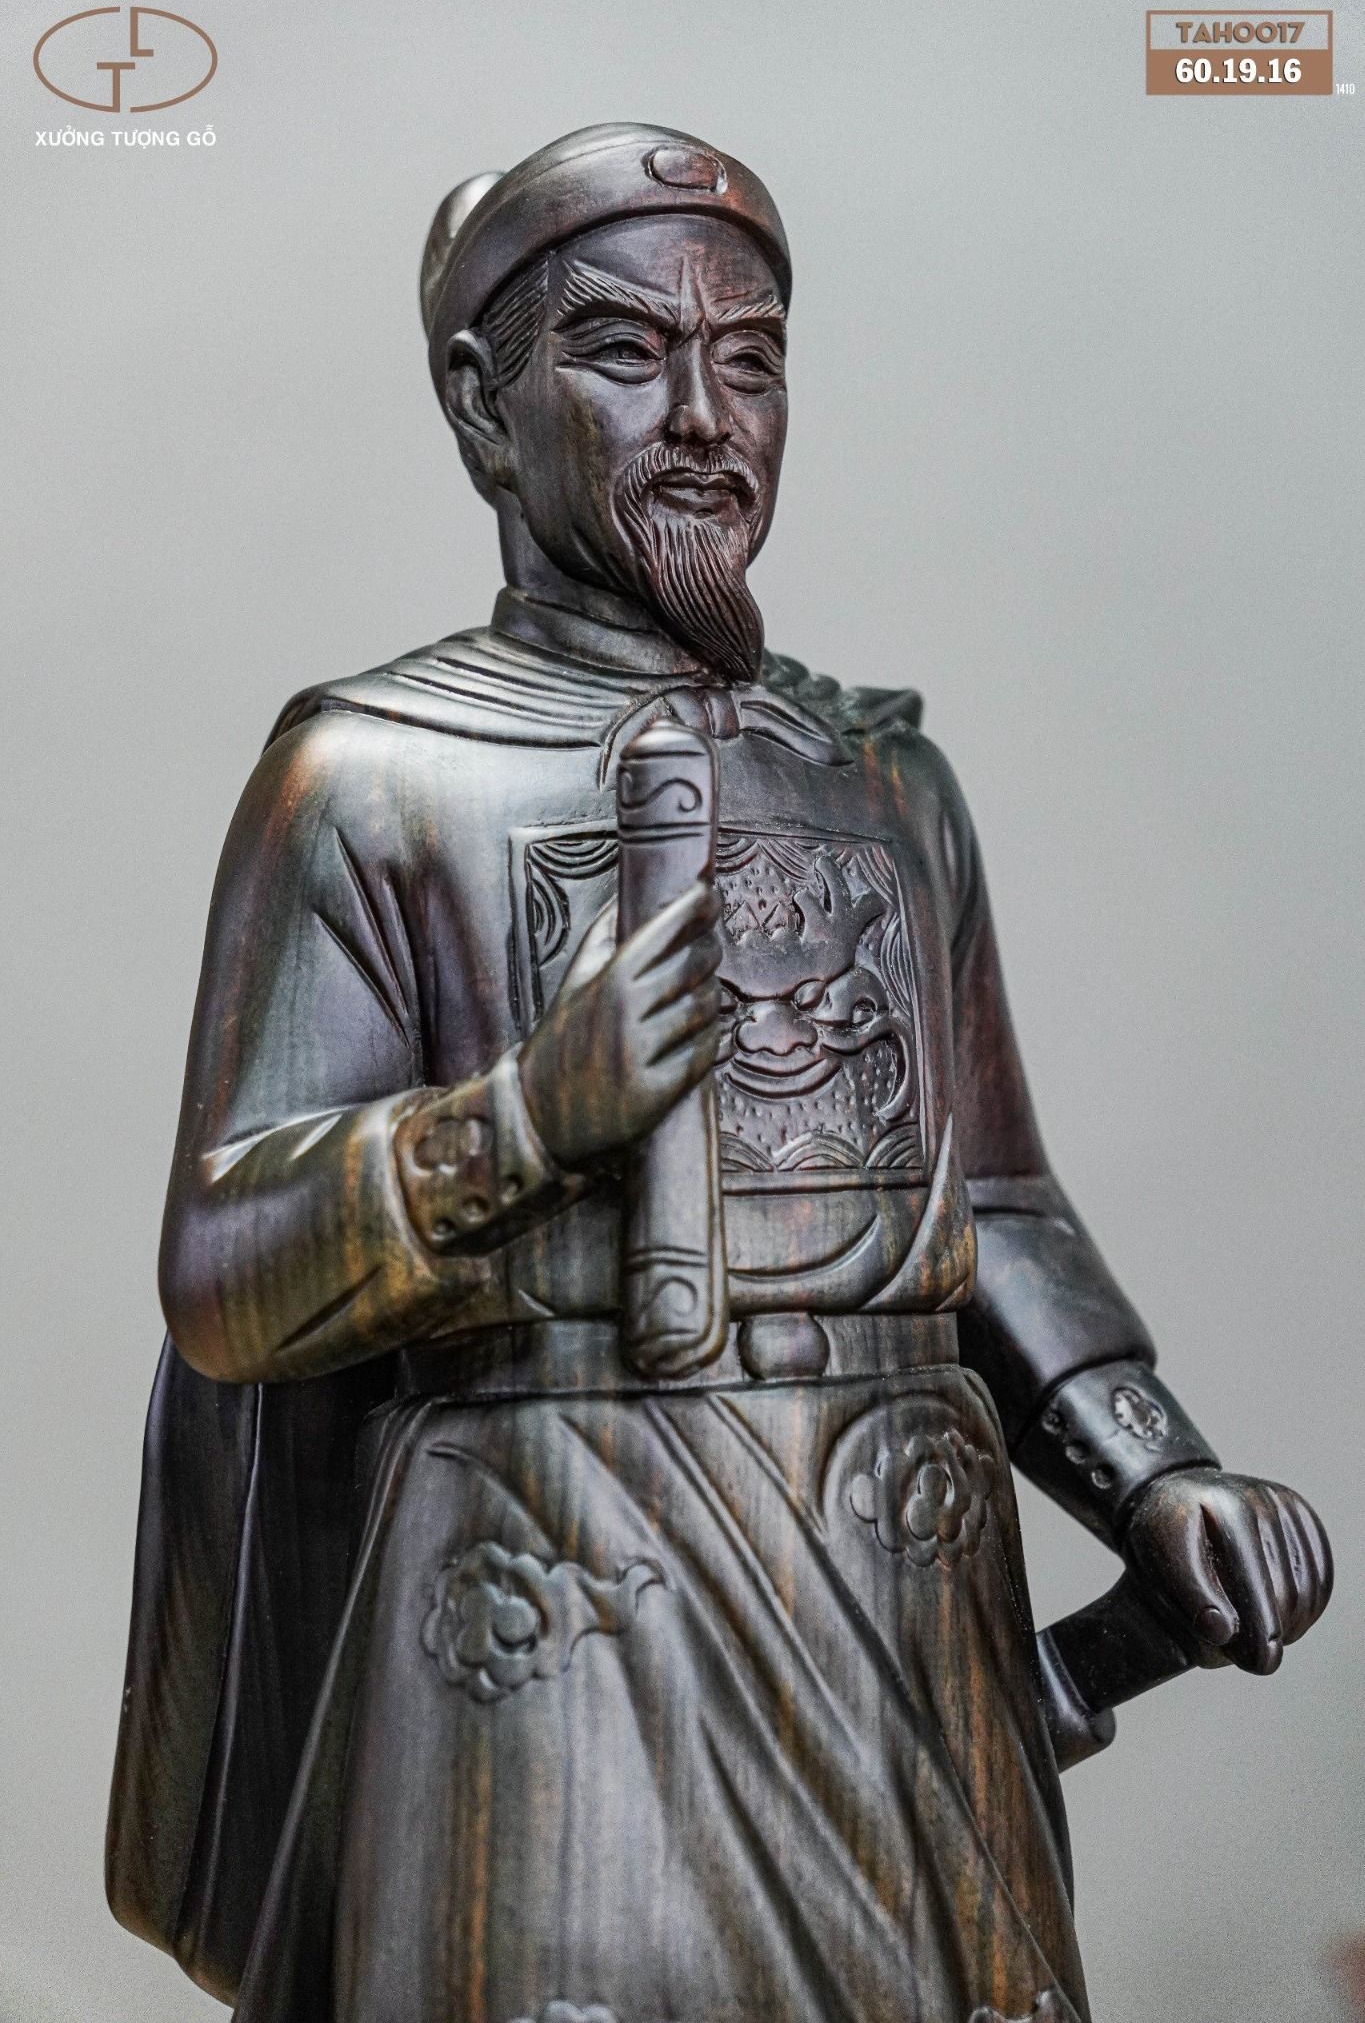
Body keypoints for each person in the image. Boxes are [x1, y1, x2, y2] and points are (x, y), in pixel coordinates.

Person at [107, 123, 1331, 2023]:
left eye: (748, 360)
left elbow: (994, 1206)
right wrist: (526, 1120)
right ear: (481, 403)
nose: (702, 418)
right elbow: (223, 1273)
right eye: (624, 352)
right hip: (546, 1592)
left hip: (898, 1579)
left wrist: (1150, 1471)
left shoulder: (882, 780)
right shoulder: (372, 778)